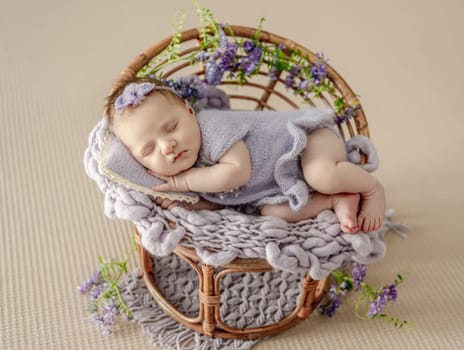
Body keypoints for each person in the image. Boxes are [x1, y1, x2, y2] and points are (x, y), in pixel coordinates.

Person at [105, 77, 385, 234]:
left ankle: (371, 189)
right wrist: (185, 205)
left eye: (172, 127)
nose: (167, 146)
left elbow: (237, 173)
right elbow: (220, 204)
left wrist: (184, 184)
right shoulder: (189, 170)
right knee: (273, 213)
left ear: (190, 111)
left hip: (306, 143)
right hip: (280, 183)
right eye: (149, 150)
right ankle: (337, 198)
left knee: (321, 174)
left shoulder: (211, 127)